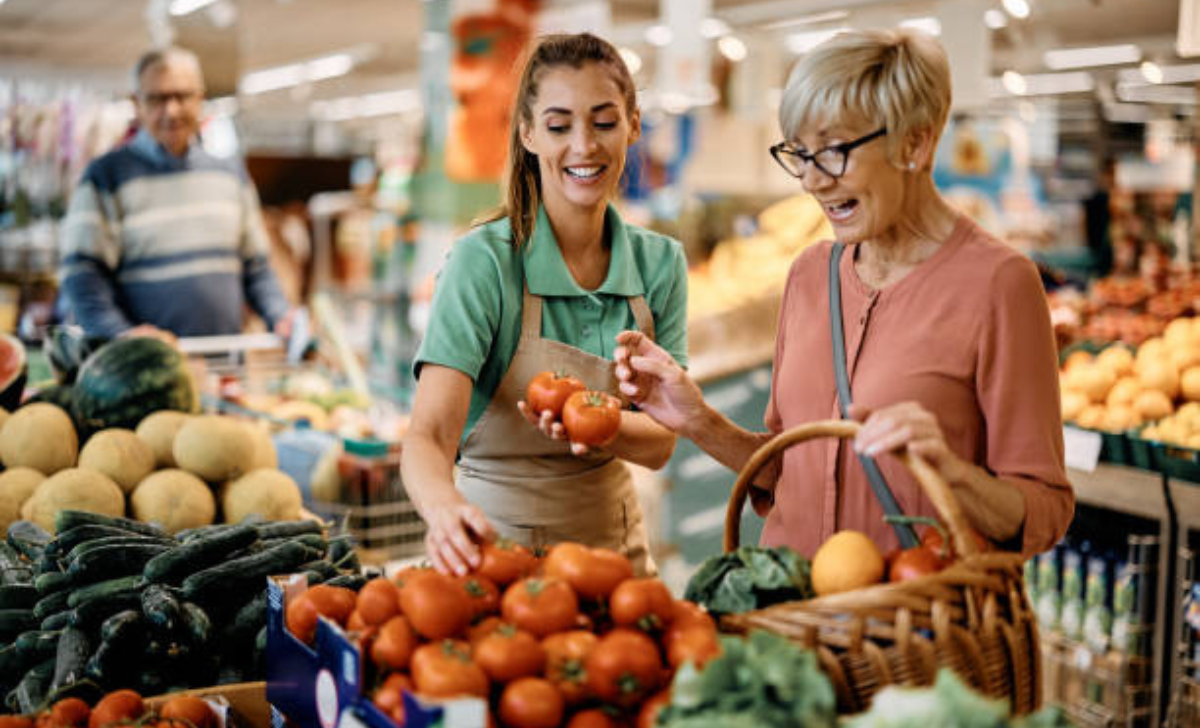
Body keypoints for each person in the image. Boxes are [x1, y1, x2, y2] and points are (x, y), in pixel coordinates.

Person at [615, 28, 1073, 559]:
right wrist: (699, 421)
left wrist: (950, 474)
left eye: (833, 151)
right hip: (794, 618)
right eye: (800, 154)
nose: (811, 180)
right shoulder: (810, 274)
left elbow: (1044, 510)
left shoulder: (999, 284)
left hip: (910, 625)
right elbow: (791, 470)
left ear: (915, 143)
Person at [401, 33, 688, 576]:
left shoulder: (660, 265)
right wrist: (443, 510)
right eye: (559, 126)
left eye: (604, 122)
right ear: (529, 134)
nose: (584, 147)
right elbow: (430, 434)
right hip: (495, 554)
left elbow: (660, 446)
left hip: (615, 561)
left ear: (633, 124)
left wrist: (593, 422)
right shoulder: (483, 262)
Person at [59, 47, 292, 341]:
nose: (171, 110)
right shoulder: (105, 177)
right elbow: (83, 275)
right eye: (157, 98)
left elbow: (256, 268)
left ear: (200, 99)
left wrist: (280, 315)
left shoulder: (231, 174)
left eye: (182, 96)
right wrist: (120, 335)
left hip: (223, 365)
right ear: (137, 103)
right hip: (140, 371)